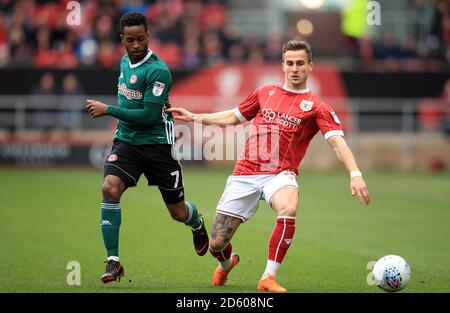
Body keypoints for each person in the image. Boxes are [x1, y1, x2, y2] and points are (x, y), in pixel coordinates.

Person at [166, 40, 371, 292]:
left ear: (310, 66)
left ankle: (267, 277)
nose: (295, 68)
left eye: (300, 63)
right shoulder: (265, 92)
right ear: (283, 65)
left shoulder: (317, 107)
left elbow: (338, 143)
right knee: (216, 244)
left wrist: (355, 173)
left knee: (288, 207)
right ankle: (227, 263)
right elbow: (233, 116)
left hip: (280, 174)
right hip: (245, 173)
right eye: (290, 63)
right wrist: (196, 116)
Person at [85, 12, 209, 284]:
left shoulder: (158, 70)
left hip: (158, 146)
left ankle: (197, 222)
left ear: (148, 36)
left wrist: (108, 110)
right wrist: (117, 118)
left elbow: (149, 116)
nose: (136, 45)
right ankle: (114, 261)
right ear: (123, 40)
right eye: (131, 40)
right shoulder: (123, 62)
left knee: (177, 212)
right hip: (127, 143)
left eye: (141, 38)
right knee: (109, 188)